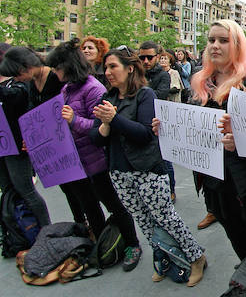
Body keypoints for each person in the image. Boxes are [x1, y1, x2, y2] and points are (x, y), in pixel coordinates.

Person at [178, 20, 246, 296]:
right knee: (234, 230)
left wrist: (240, 143)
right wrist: (168, 130)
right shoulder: (201, 84)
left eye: (223, 40)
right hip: (214, 179)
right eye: (211, 40)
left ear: (237, 45)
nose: (215, 45)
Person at [90, 48, 206, 285]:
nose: (108, 72)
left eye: (113, 66)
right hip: (120, 173)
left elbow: (144, 134)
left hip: (148, 171)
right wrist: (104, 127)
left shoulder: (145, 95)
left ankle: (196, 257)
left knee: (166, 218)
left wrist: (114, 120)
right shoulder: (108, 99)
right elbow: (96, 138)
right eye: (106, 67)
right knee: (144, 221)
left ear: (129, 68)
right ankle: (163, 258)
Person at [45, 40, 143, 269]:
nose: (55, 72)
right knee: (89, 205)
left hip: (97, 159)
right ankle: (102, 245)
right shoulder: (66, 89)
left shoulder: (93, 89)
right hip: (76, 160)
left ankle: (132, 244)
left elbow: (100, 126)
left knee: (114, 205)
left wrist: (73, 120)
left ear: (68, 66)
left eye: (57, 67)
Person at [2, 47, 86, 226]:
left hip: (69, 142)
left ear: (26, 67)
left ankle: (90, 227)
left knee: (80, 192)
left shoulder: (56, 78)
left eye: (16, 75)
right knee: (67, 190)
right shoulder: (32, 83)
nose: (16, 80)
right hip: (52, 145)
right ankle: (81, 225)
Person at [0, 48, 52, 228]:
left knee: (26, 191)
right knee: (8, 190)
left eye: (16, 74)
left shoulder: (21, 86)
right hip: (5, 144)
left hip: (18, 146)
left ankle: (46, 231)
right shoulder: (17, 82)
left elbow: (14, 97)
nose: (16, 77)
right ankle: (18, 234)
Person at [156, 49, 182, 201]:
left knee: (166, 156)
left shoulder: (171, 74)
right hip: (156, 117)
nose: (163, 61)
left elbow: (171, 90)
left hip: (170, 110)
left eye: (165, 59)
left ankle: (171, 189)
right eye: (161, 59)